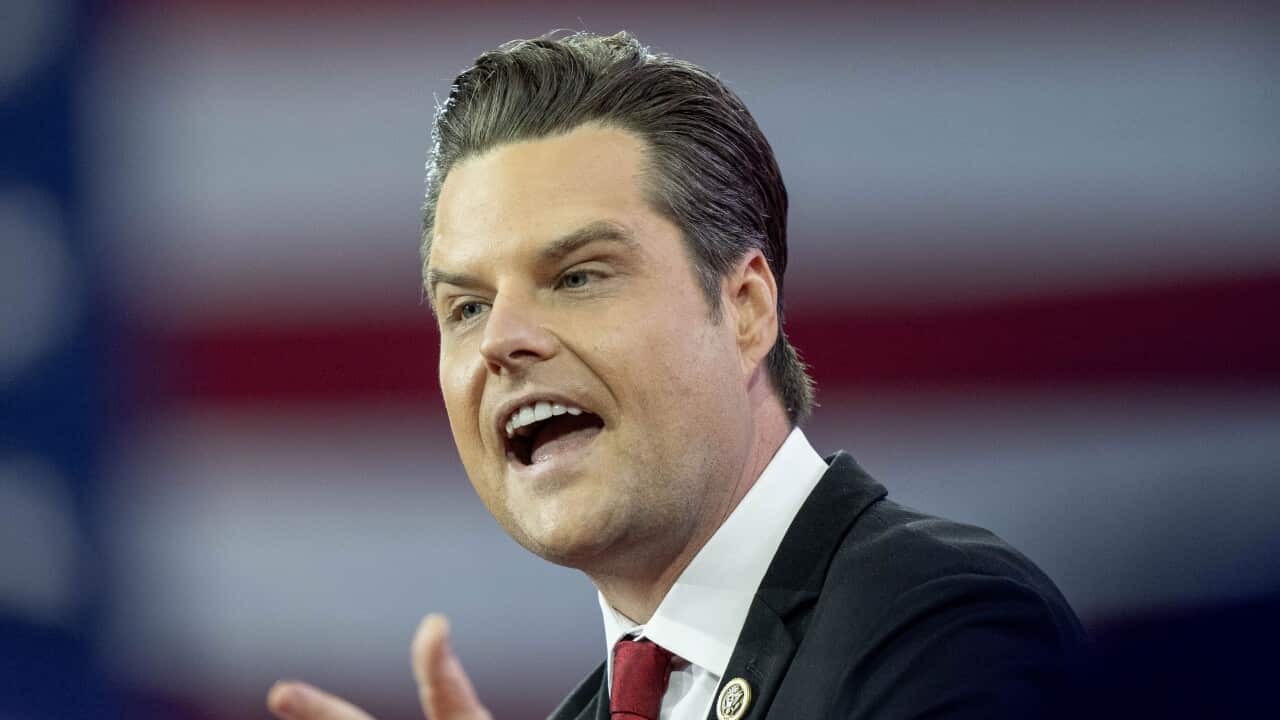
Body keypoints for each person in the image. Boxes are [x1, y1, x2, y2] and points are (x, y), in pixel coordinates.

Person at [267, 31, 1084, 720]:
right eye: (468, 307)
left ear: (747, 308)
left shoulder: (944, 624)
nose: (503, 341)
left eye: (579, 276)